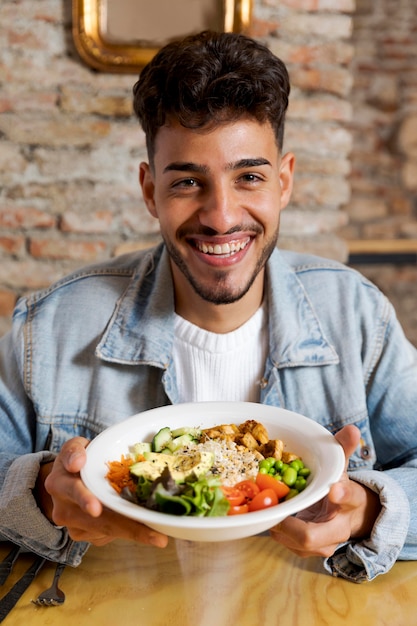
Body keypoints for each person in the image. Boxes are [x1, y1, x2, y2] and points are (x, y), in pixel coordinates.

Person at [0, 30, 416, 583]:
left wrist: (366, 510)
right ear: (149, 191)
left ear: (285, 181)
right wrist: (42, 494)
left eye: (249, 177)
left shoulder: (357, 315)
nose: (221, 216)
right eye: (188, 182)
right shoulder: (46, 327)